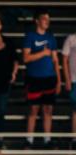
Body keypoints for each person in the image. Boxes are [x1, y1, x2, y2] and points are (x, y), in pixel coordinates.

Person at [23, 10, 58, 145]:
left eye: (48, 19)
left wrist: (59, 79)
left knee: (48, 110)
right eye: (44, 18)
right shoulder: (30, 36)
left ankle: (47, 139)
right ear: (37, 21)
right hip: (34, 78)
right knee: (33, 110)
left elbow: (55, 60)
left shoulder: (51, 37)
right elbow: (26, 58)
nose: (47, 21)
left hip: (49, 78)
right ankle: (29, 140)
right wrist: (42, 53)